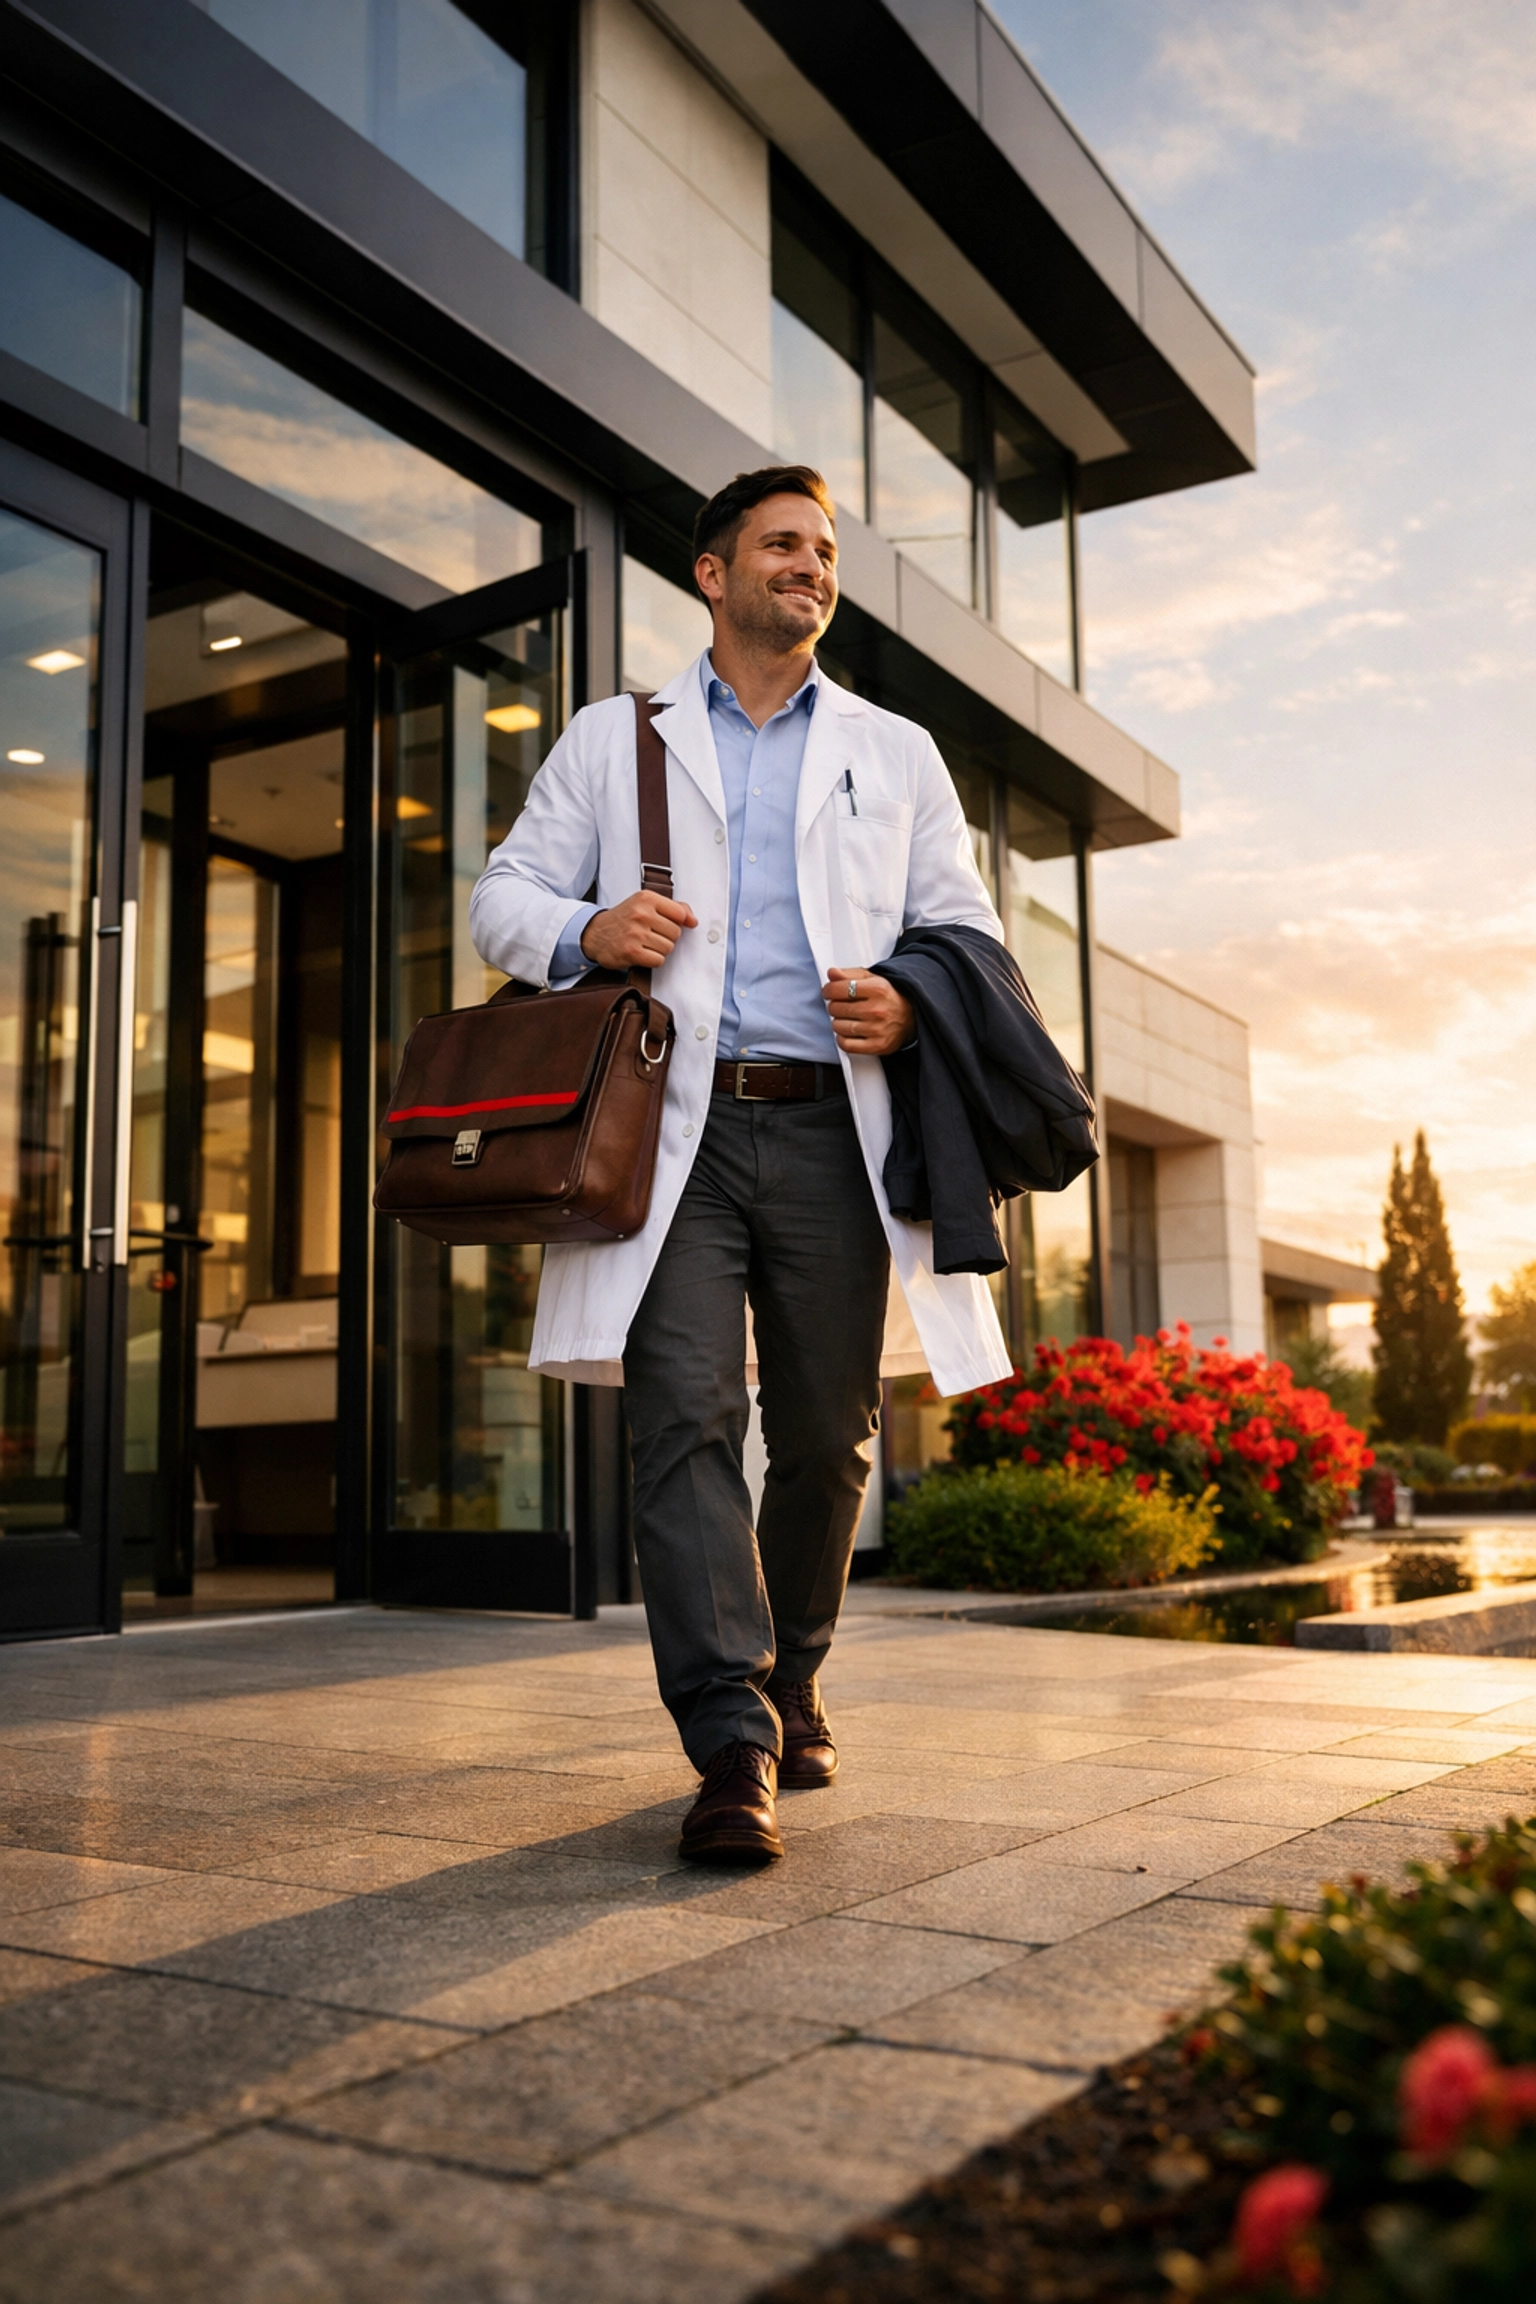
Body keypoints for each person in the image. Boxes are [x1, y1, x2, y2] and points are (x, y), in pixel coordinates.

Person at [470, 464, 1011, 1863]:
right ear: (711, 574)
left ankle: (794, 1673)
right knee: (685, 1419)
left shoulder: (897, 751)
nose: (811, 567)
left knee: (830, 1435)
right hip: (674, 1138)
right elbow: (501, 899)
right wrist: (589, 933)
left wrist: (909, 993)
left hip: (838, 1127)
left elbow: (966, 932)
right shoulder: (612, 738)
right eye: (782, 545)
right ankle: (732, 1737)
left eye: (824, 551)